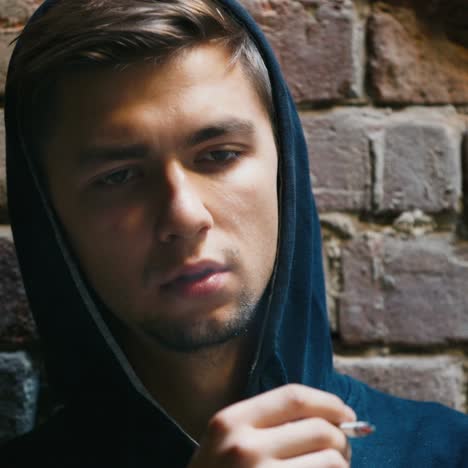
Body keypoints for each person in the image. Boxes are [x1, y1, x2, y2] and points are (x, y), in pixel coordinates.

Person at [2, 0, 468, 466]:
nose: (184, 216)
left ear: (283, 168)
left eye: (219, 154)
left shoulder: (447, 451)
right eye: (119, 176)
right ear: (52, 215)